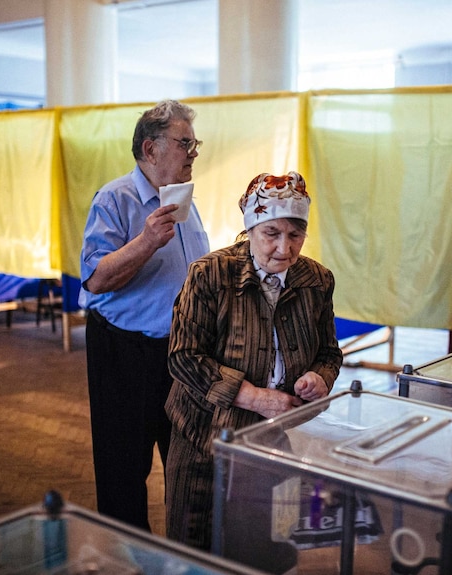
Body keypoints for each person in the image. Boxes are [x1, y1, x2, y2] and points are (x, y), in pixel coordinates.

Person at [164, 171, 344, 558]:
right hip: (204, 439)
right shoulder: (209, 275)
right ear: (250, 229)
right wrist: (257, 398)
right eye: (272, 234)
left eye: (295, 235)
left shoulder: (316, 281)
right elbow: (183, 357)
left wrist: (319, 377)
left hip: (270, 442)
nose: (285, 249)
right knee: (193, 552)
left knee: (259, 548)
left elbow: (330, 353)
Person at [79, 99, 209, 531]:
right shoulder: (115, 198)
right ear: (150, 150)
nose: (193, 153)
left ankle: (180, 555)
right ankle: (126, 558)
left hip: (179, 356)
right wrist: (147, 241)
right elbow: (95, 278)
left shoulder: (185, 204)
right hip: (124, 353)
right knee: (123, 472)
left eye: (195, 144)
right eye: (184, 143)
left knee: (184, 463)